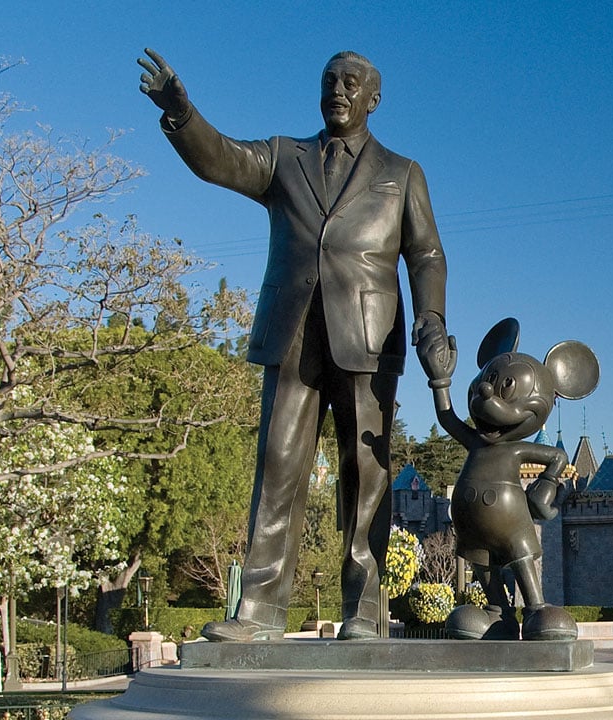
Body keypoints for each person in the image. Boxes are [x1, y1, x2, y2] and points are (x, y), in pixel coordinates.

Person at [138, 49, 448, 641]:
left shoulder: (402, 172)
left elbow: (427, 254)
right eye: (329, 80)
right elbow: (222, 161)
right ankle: (258, 609)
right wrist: (183, 114)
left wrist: (431, 319)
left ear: (372, 99)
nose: (338, 89)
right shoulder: (285, 157)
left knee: (365, 474)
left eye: (351, 83)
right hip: (292, 333)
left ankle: (363, 610)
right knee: (277, 465)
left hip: (369, 337)